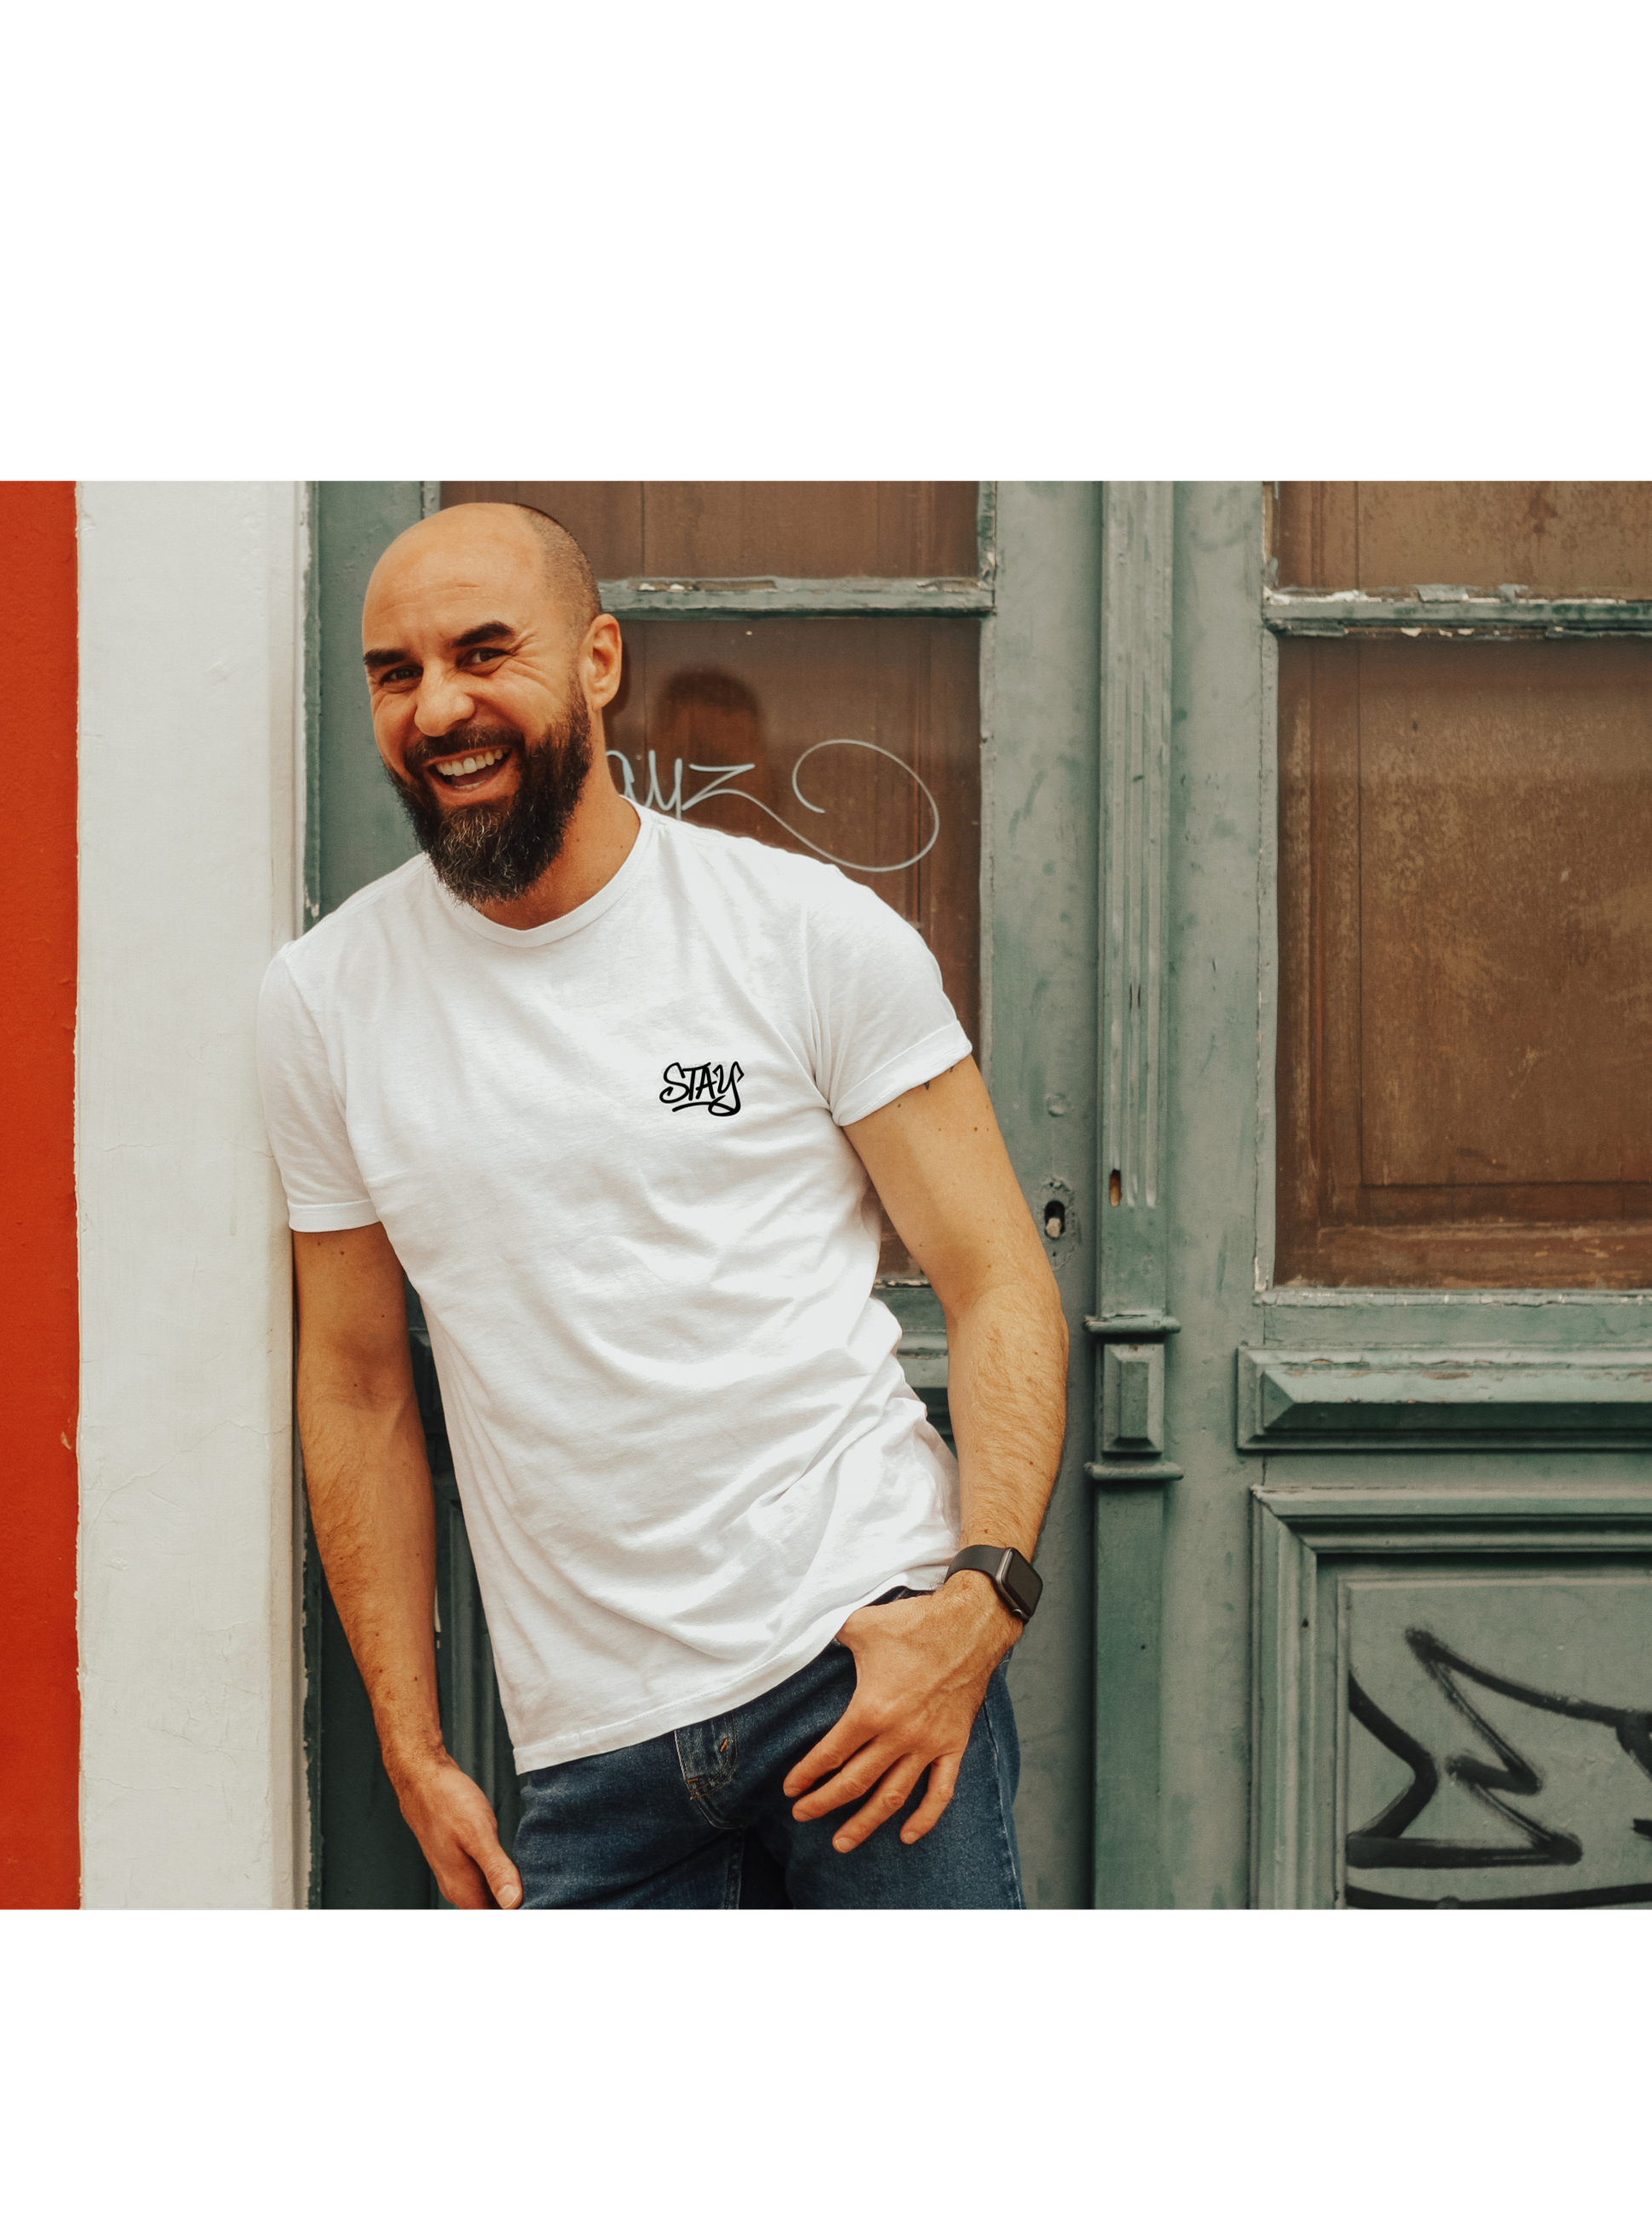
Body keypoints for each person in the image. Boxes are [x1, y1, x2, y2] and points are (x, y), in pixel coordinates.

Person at [258, 502, 1068, 1909]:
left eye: (484, 653)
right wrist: (409, 1741)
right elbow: (357, 1383)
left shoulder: (801, 934)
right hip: (592, 1747)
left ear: (598, 662)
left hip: (857, 1669)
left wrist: (978, 1604)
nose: (440, 705)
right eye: (397, 672)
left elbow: (997, 1275)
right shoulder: (325, 1004)